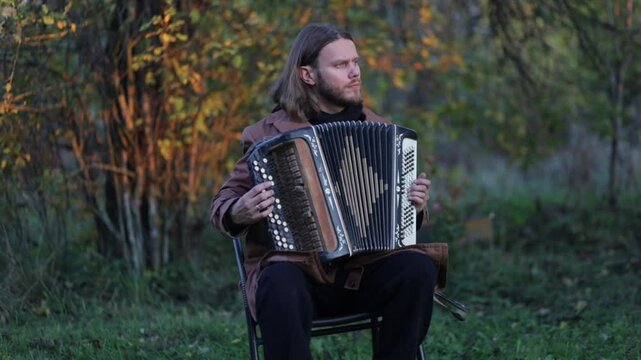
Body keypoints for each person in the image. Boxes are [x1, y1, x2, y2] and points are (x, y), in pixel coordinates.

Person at [210, 23, 448, 360]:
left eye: (356, 62)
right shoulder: (265, 135)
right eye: (341, 65)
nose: (355, 73)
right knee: (278, 283)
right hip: (299, 276)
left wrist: (415, 204)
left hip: (363, 273)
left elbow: (399, 222)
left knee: (418, 268)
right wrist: (239, 211)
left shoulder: (379, 128)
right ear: (308, 75)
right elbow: (222, 205)